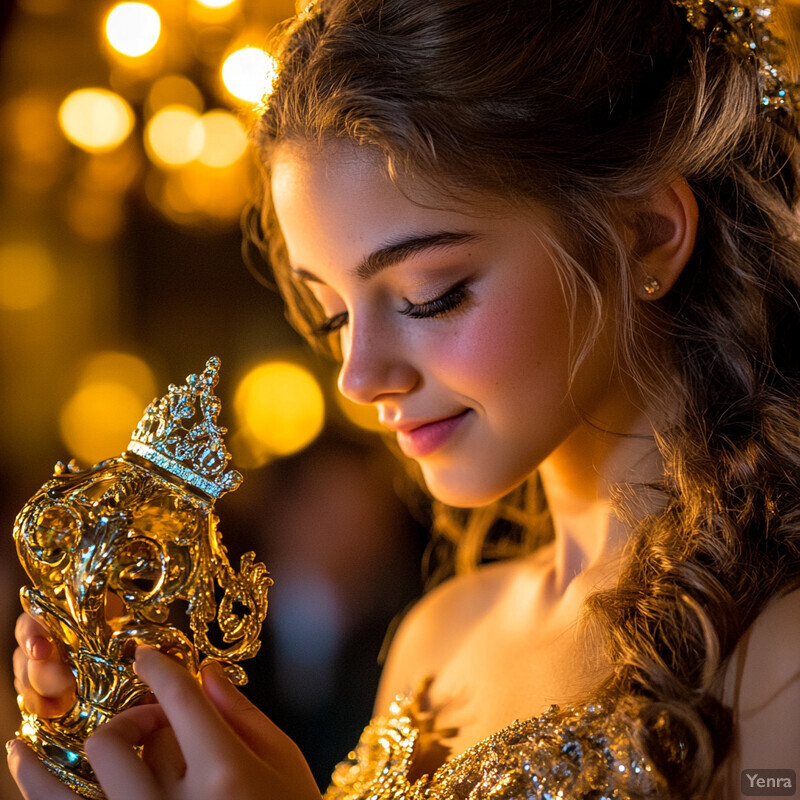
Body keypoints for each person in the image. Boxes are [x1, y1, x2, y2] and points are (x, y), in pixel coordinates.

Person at [8, 0, 800, 797]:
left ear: (647, 233)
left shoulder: (776, 655)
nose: (358, 378)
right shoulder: (437, 640)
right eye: (334, 316)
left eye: (432, 295)